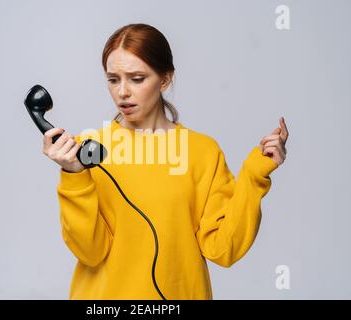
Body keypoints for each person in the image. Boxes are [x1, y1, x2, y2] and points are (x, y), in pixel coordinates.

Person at [42, 23, 289, 300]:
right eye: (113, 79)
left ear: (165, 79)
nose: (122, 92)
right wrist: (73, 175)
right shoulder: (88, 152)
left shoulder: (202, 151)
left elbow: (223, 249)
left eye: (137, 79)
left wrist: (255, 174)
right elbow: (90, 251)